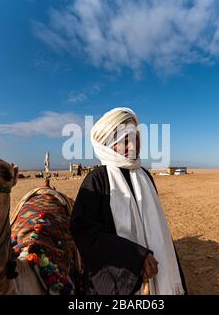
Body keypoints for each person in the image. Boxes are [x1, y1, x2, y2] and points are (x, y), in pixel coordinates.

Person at [70, 107, 187, 295]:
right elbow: (83, 232)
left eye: (135, 139)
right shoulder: (97, 179)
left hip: (158, 272)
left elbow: (159, 230)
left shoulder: (145, 176)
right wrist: (135, 257)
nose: (133, 146)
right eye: (125, 140)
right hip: (116, 280)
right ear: (108, 144)